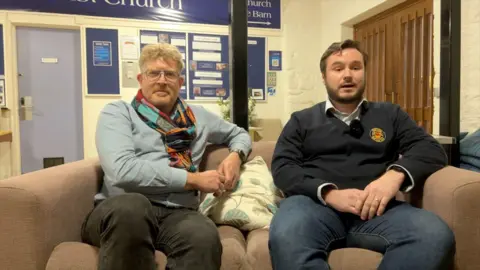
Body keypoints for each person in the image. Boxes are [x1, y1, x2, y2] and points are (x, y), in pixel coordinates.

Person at [268, 39, 455, 270]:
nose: (347, 75)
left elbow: (430, 149)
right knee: (287, 232)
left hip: (377, 212)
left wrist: (393, 176)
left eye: (355, 67)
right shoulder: (301, 120)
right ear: (324, 77)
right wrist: (328, 193)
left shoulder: (390, 114)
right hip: (314, 208)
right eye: (338, 68)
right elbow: (283, 167)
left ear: (364, 73)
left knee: (434, 234)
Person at [81, 43, 252, 270]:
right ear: (141, 79)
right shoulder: (119, 113)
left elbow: (239, 134)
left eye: (170, 74)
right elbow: (122, 170)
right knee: (132, 207)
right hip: (120, 209)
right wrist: (192, 179)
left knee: (203, 236)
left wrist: (235, 156)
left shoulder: (198, 116)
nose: (162, 80)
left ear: (180, 82)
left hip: (177, 213)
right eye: (154, 73)